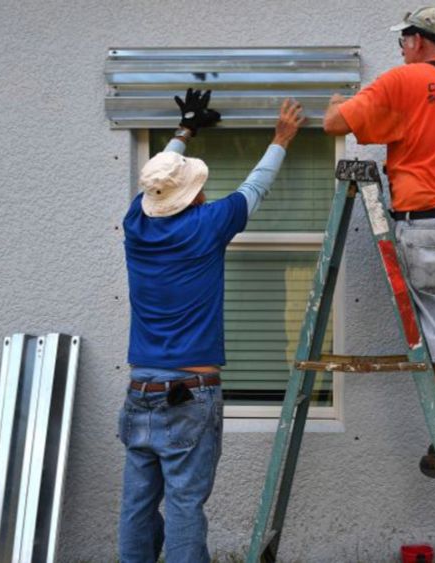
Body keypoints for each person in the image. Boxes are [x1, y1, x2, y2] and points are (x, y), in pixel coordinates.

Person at [118, 90, 304, 562]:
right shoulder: (207, 223)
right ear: (190, 196)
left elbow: (155, 185)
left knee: (137, 504)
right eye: (197, 185)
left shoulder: (136, 224)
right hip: (190, 391)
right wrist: (281, 138)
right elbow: (256, 187)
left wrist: (184, 130)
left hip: (141, 389)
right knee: (183, 502)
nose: (204, 189)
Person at [322, 7, 435, 480]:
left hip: (430, 227)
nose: (400, 48)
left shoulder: (405, 80)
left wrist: (338, 98)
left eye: (403, 40)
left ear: (418, 41)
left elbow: (336, 124)